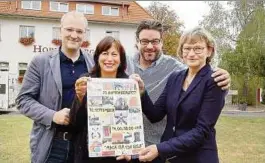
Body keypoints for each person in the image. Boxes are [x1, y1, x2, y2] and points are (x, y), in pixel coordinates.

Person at [125, 20, 230, 158]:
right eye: (187, 48)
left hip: (198, 157)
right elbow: (155, 114)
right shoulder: (175, 77)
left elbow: (202, 131)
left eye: (198, 48)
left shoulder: (214, 81)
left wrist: (160, 149)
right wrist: (142, 92)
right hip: (174, 157)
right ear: (181, 51)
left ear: (209, 50)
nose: (191, 54)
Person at [15, 11, 94, 163]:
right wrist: (52, 116)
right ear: (60, 30)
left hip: (85, 145)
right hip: (52, 144)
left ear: (85, 34)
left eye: (79, 31)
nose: (74, 35)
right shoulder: (40, 61)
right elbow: (23, 100)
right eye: (69, 29)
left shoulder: (93, 63)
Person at [69, 36, 140, 163]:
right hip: (89, 155)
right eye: (105, 53)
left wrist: (131, 151)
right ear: (97, 57)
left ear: (121, 59)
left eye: (114, 54)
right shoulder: (86, 81)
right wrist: (80, 98)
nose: (109, 59)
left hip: (120, 156)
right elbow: (75, 122)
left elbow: (134, 122)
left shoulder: (129, 84)